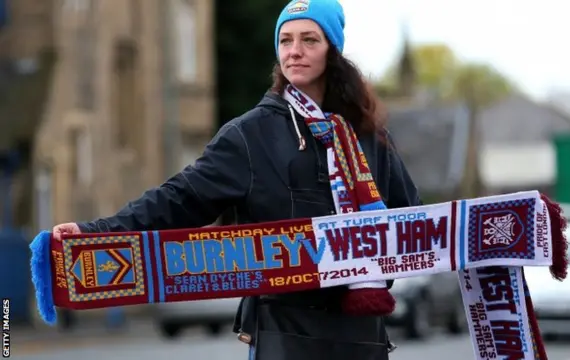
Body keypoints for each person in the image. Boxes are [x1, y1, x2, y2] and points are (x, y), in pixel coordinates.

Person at [52, 0, 421, 358]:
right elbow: (178, 199)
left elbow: (415, 225)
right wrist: (96, 231)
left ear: (332, 51)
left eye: (310, 40)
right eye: (285, 40)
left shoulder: (367, 137)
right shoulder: (249, 135)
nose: (294, 50)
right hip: (285, 333)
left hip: (363, 334)